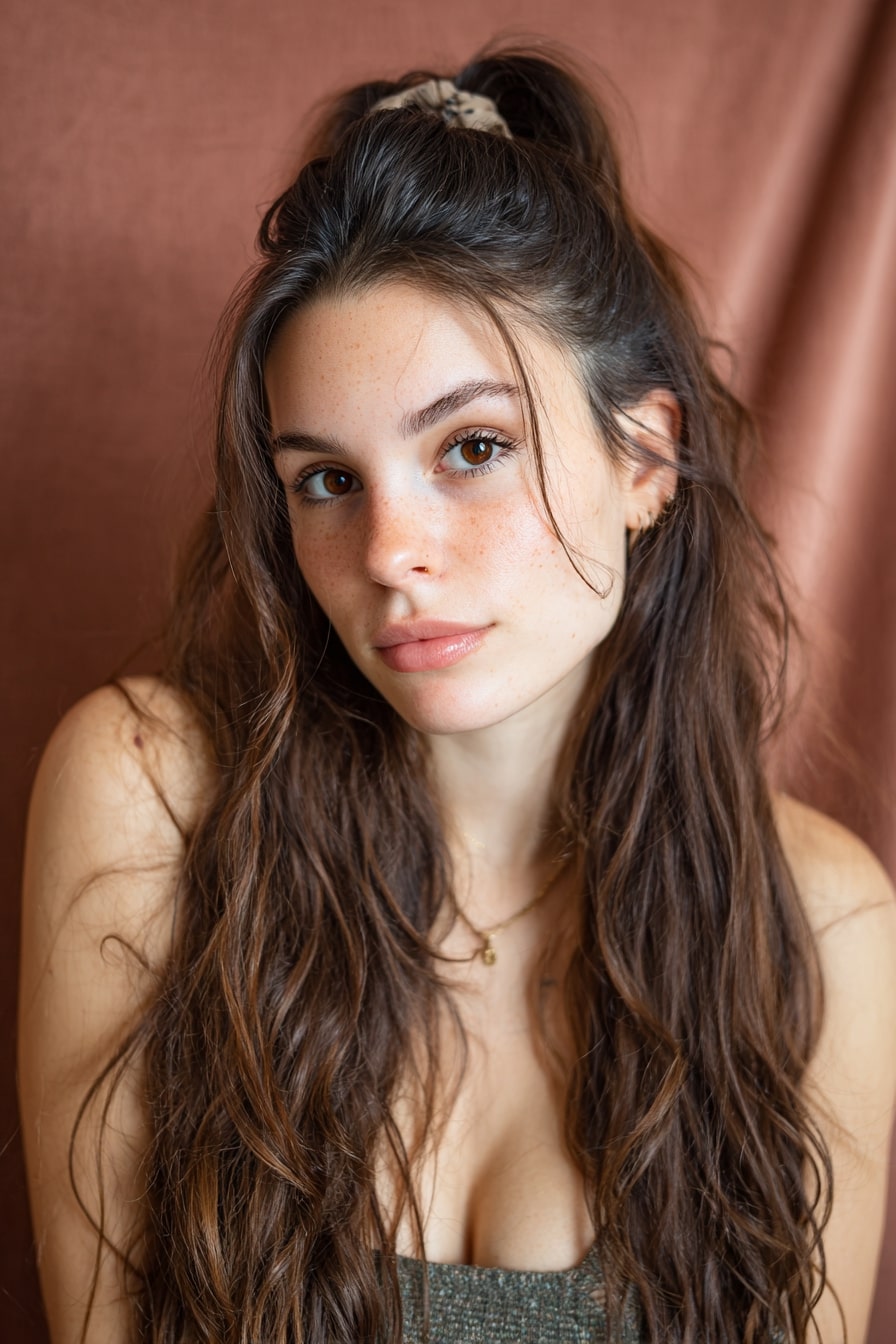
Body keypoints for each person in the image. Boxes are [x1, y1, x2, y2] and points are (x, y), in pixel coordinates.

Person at [17, 45, 896, 1344]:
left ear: (645, 458)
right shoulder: (149, 800)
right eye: (327, 481)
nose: (387, 553)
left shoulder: (816, 923)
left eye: (472, 449)